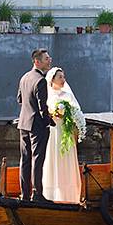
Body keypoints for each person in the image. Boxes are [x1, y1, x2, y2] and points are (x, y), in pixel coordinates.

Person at [17, 48, 56, 202]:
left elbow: (20, 99)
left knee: (25, 159)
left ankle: (25, 195)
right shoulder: (40, 81)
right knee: (37, 159)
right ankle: (37, 194)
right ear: (37, 62)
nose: (50, 60)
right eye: (47, 59)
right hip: (37, 126)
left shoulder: (24, 77)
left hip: (23, 124)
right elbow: (43, 108)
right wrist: (50, 122)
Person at [42, 67, 84, 203]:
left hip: (66, 131)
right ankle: (51, 193)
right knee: (53, 157)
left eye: (63, 76)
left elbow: (76, 111)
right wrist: (53, 114)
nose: (63, 79)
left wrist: (71, 119)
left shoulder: (68, 95)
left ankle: (69, 194)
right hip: (53, 131)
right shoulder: (47, 95)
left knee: (66, 158)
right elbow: (44, 112)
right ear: (52, 79)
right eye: (60, 77)